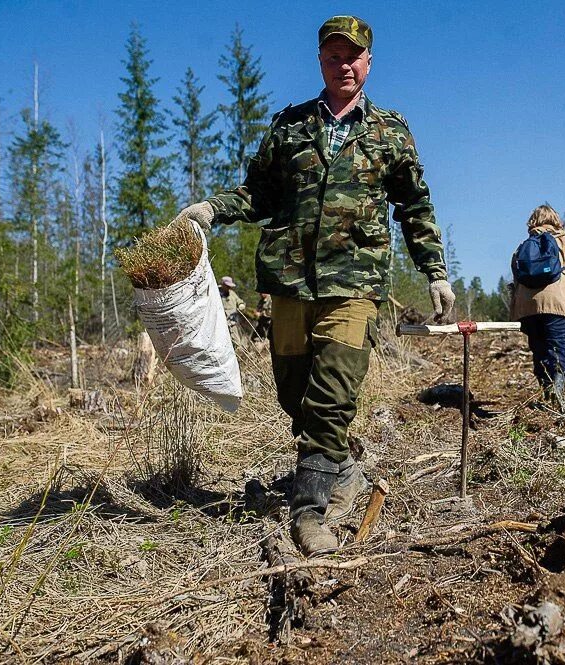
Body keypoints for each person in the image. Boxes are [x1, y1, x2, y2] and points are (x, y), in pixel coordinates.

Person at [168, 16, 455, 555]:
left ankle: (309, 513)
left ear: (368, 62)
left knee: (331, 397)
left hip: (354, 284)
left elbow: (414, 206)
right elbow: (258, 194)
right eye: (333, 56)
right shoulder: (290, 126)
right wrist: (213, 210)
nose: (343, 64)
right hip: (290, 282)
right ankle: (342, 468)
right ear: (320, 61)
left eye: (354, 56)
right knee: (293, 395)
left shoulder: (390, 131)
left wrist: (434, 271)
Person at [510, 205, 565, 409]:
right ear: (556, 220)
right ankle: (558, 386)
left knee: (539, 349)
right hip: (557, 305)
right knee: (559, 347)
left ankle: (546, 392)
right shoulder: (564, 241)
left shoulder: (523, 247)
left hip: (528, 309)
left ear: (533, 222)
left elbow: (515, 276)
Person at [219, 276, 246, 345]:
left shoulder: (232, 293)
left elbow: (239, 301)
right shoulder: (216, 292)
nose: (229, 288)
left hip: (232, 323)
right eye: (227, 286)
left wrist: (241, 305)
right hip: (220, 324)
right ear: (223, 284)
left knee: (236, 342)